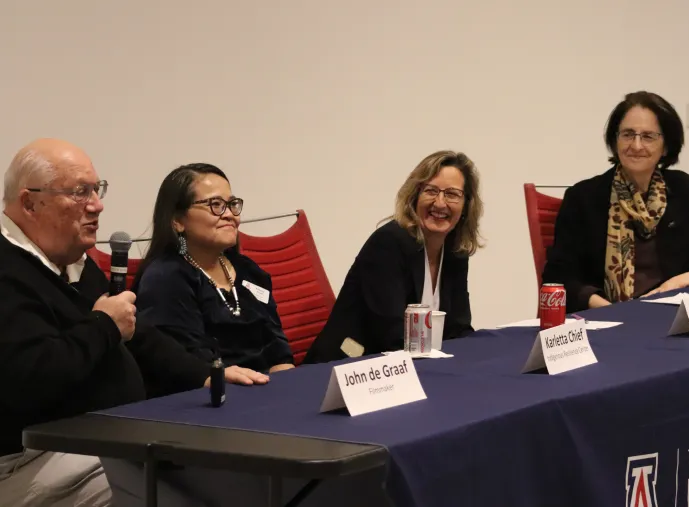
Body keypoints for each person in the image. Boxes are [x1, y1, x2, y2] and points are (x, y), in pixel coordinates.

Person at [0, 139, 268, 507]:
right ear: (30, 202)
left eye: (97, 189)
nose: (97, 204)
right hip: (34, 456)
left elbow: (136, 334)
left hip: (104, 437)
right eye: (80, 192)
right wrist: (104, 326)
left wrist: (204, 374)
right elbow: (28, 377)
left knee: (227, 477)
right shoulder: (8, 271)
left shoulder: (72, 262)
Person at [542, 91, 689, 313]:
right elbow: (558, 276)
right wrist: (608, 310)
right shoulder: (584, 197)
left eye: (648, 136)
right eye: (628, 134)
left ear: (666, 146)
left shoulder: (684, 190)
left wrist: (676, 284)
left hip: (672, 315)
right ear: (615, 140)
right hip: (606, 319)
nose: (636, 145)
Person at [304, 150, 483, 363]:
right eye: (431, 191)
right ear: (415, 196)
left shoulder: (456, 250)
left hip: (413, 369)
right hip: (350, 368)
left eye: (452, 194)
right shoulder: (389, 243)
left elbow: (459, 328)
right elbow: (392, 336)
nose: (440, 203)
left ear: (466, 205)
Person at [133, 163, 295, 374]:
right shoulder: (166, 278)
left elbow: (277, 348)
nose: (229, 214)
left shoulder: (248, 271)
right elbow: (189, 362)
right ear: (178, 221)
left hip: (266, 387)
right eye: (215, 205)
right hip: (210, 392)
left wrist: (288, 382)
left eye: (232, 204)